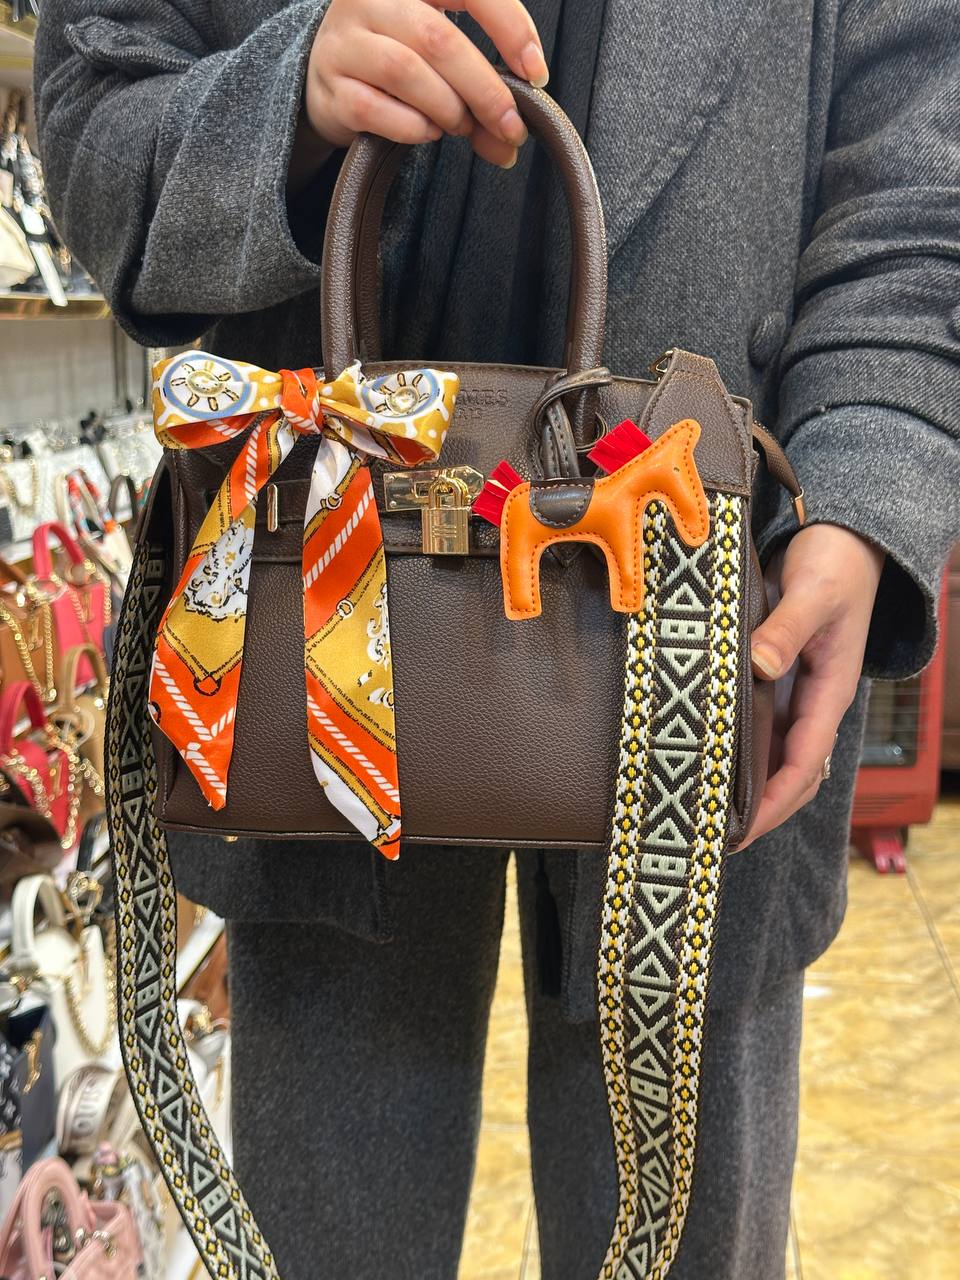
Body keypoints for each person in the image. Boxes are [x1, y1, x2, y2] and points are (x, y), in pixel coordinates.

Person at [34, 2, 960, 1278]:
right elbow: (96, 116)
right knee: (327, 1233)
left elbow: (919, 171)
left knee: (687, 1223)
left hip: (706, 606)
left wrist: (864, 476)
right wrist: (280, 103)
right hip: (319, 610)